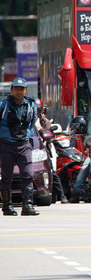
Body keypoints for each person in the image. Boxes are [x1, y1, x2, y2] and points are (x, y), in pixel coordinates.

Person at [0, 77, 40, 216]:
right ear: (11, 90)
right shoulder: (3, 105)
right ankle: (6, 207)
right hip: (6, 146)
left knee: (28, 175)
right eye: (16, 88)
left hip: (24, 145)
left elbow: (32, 123)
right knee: (6, 177)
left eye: (21, 89)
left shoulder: (31, 106)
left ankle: (27, 206)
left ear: (25, 90)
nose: (19, 91)